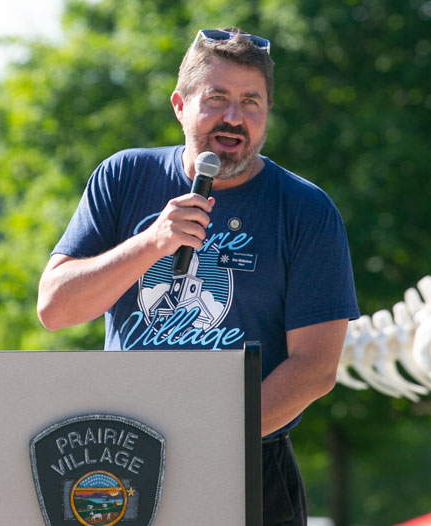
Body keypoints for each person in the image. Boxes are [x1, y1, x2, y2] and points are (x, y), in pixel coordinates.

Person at [37, 27, 359, 525]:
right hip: (122, 457)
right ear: (179, 106)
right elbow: (56, 309)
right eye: (217, 99)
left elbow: (314, 367)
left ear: (267, 114)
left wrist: (204, 438)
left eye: (251, 102)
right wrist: (152, 243)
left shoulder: (305, 209)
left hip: (250, 464)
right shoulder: (124, 177)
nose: (234, 117)